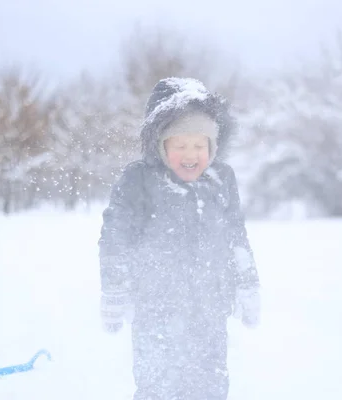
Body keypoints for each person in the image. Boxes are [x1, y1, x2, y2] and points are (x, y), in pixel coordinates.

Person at [98, 77, 261, 400]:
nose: (191, 154)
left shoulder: (222, 178)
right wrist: (114, 288)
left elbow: (236, 234)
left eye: (200, 145)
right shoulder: (139, 179)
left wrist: (248, 282)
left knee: (210, 384)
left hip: (210, 307)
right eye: (180, 145)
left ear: (213, 147)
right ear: (160, 144)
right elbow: (114, 237)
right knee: (158, 385)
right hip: (155, 307)